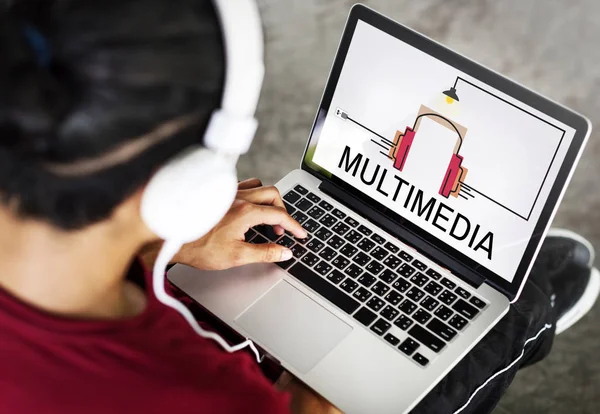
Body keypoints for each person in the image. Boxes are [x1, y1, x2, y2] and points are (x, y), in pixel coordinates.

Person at [0, 1, 598, 413]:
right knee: (511, 307)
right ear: (192, 183)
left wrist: (169, 246)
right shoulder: (214, 397)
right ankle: (534, 319)